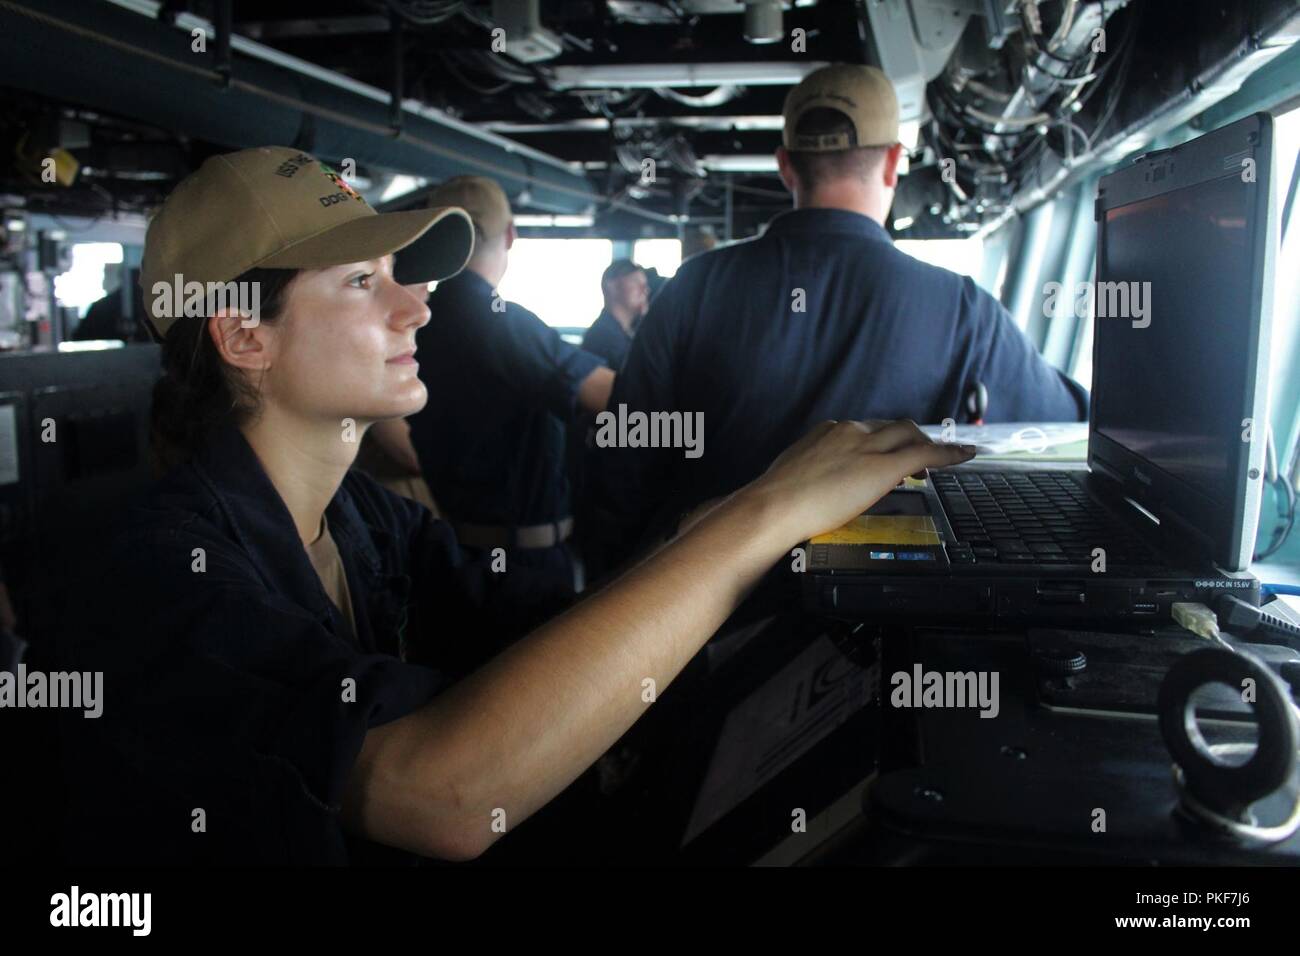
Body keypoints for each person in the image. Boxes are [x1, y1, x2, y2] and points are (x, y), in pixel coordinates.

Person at [55, 145, 975, 865]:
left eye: (400, 274)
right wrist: (763, 516)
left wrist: (775, 507)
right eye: (362, 282)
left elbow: (555, 638)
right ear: (243, 335)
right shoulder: (152, 572)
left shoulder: (368, 523)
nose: (415, 309)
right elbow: (442, 792)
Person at [588, 63, 1089, 565]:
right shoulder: (963, 309)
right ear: (894, 163)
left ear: (786, 166)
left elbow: (621, 470)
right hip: (878, 625)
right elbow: (1065, 431)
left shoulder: (691, 288)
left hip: (701, 615)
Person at [399, 176, 613, 633]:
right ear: (511, 234)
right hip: (526, 567)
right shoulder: (504, 324)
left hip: (455, 552)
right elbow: (612, 397)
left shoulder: (419, 324)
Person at [582, 258, 649, 372]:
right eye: (635, 281)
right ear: (611, 287)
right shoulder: (602, 336)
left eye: (645, 284)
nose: (645, 290)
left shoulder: (626, 333)